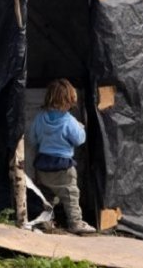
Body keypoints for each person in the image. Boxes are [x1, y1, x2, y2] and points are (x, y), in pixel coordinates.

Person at [29, 79, 96, 235]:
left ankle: (43, 221)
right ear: (69, 101)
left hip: (43, 164)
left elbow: (33, 139)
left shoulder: (40, 118)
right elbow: (79, 139)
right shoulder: (69, 121)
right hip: (63, 165)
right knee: (71, 195)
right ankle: (75, 223)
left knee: (46, 196)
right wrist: (80, 127)